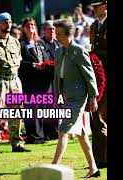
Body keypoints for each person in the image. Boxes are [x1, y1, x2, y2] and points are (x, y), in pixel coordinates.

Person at [52, 18, 100, 178]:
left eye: (59, 34)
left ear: (68, 34)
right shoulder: (58, 51)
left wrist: (93, 96)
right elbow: (57, 77)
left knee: (63, 130)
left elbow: (90, 75)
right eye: (55, 33)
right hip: (65, 96)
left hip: (78, 97)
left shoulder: (78, 51)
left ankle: (53, 168)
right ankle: (94, 169)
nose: (56, 37)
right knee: (81, 133)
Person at [0, 12, 31, 154]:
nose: (8, 24)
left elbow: (19, 62)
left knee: (17, 111)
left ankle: (16, 143)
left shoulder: (15, 41)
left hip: (15, 80)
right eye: (4, 22)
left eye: (9, 22)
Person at [18, 17, 54, 144]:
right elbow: (18, 63)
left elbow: (48, 57)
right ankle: (32, 136)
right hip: (29, 81)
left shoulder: (41, 43)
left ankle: (42, 135)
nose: (31, 27)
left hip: (43, 81)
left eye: (32, 25)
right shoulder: (20, 44)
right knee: (30, 109)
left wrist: (48, 65)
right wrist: (34, 65)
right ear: (23, 28)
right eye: (27, 25)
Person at [89, 0, 108, 168]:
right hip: (98, 78)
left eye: (97, 6)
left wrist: (93, 55)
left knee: (102, 118)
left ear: (106, 5)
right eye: (93, 7)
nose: (94, 9)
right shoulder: (94, 26)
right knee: (95, 118)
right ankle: (99, 159)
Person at [40, 20, 60, 141]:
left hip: (56, 79)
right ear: (44, 30)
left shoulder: (57, 43)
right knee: (46, 106)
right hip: (45, 80)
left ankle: (55, 131)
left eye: (53, 29)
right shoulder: (40, 43)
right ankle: (46, 132)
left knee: (57, 105)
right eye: (49, 29)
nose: (52, 31)